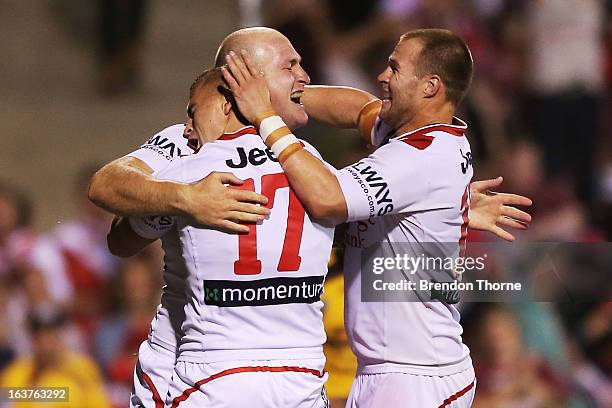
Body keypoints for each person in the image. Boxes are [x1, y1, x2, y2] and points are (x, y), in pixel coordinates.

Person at [97, 27, 530, 408]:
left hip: (237, 371)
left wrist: (439, 205)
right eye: (293, 67)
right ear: (249, 80)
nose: (306, 77)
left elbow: (338, 188)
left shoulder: (303, 164)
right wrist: (184, 199)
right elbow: (108, 190)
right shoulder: (198, 143)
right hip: (220, 365)